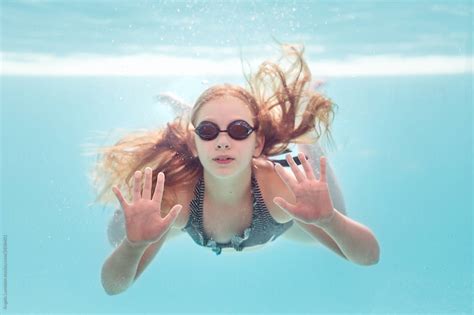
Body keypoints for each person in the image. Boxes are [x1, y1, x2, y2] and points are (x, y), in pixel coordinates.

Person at [92, 44, 380, 295]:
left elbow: (368, 257)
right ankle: (192, 118)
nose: (222, 142)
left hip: (278, 222)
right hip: (191, 211)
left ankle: (306, 138)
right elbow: (113, 286)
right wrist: (133, 245)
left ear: (258, 144)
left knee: (336, 214)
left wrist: (329, 220)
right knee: (117, 236)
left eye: (239, 130)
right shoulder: (177, 196)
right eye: (207, 131)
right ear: (193, 144)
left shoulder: (282, 188)